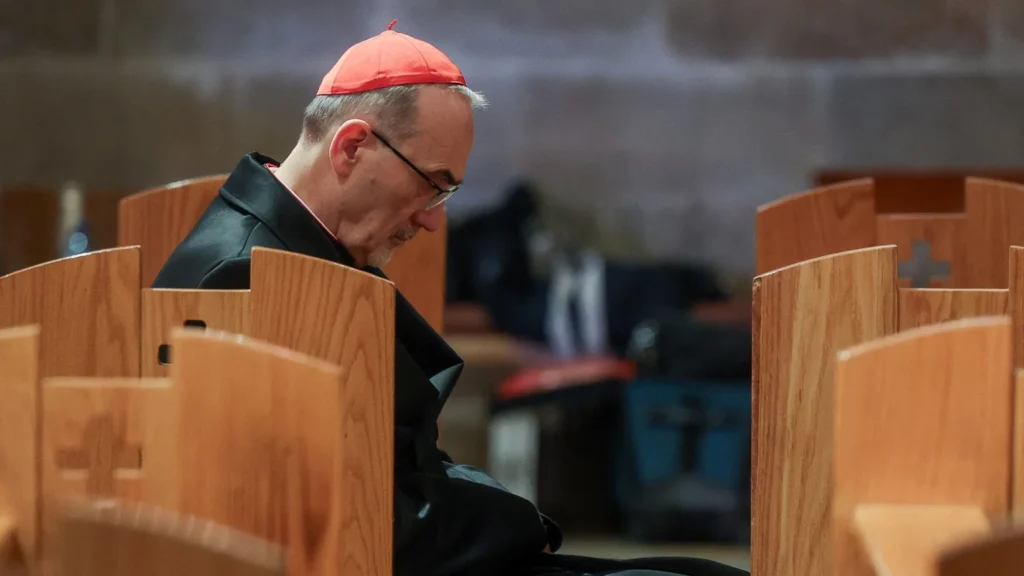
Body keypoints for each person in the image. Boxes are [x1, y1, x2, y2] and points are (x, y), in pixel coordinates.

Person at [151, 21, 749, 576]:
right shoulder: (245, 276)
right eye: (432, 185)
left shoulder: (300, 246)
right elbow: (324, 516)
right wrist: (515, 520)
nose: (433, 221)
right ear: (352, 147)